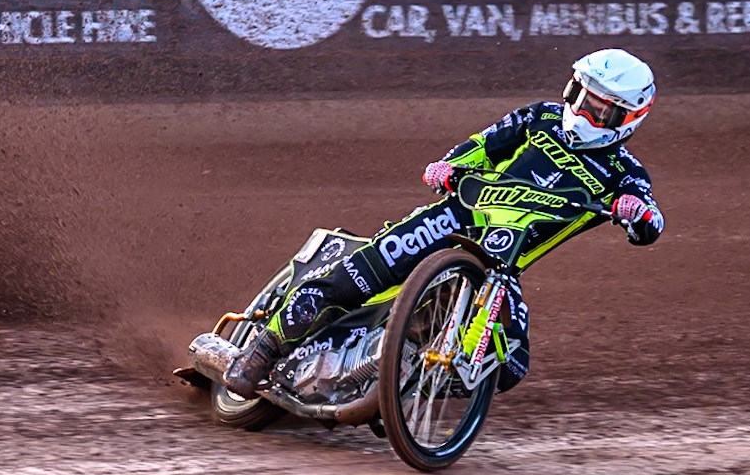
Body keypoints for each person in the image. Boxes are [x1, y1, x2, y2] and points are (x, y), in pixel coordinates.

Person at [224, 48, 664, 398]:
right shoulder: (539, 117)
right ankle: (262, 351)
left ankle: (402, 383)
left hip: (502, 263)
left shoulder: (624, 172)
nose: (582, 113)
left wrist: (637, 212)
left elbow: (649, 222)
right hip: (451, 218)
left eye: (599, 111)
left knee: (510, 364)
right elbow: (482, 145)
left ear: (627, 119)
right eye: (579, 97)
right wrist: (447, 165)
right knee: (355, 276)